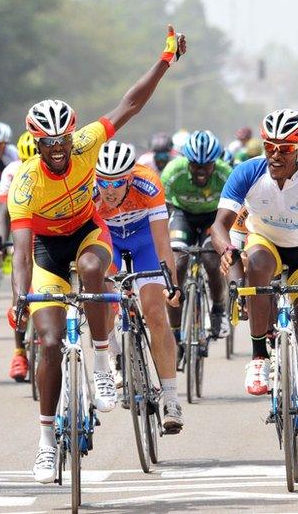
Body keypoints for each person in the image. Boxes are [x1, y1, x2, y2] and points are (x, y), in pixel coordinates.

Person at [9, 24, 185, 484]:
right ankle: (47, 443)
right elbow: (23, 250)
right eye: (50, 144)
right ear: (37, 144)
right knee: (49, 344)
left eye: (64, 140)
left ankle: (103, 363)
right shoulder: (26, 184)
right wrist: (18, 298)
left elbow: (130, 102)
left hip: (89, 230)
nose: (60, 149)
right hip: (46, 249)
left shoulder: (87, 142)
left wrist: (165, 61)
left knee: (92, 269)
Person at [210, 108, 298, 464]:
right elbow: (219, 225)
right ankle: (258, 356)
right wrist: (227, 249)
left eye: (284, 148)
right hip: (265, 243)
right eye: (270, 145)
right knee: (254, 264)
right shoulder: (248, 172)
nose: (275, 153)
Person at [93, 140, 183, 432]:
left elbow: (162, 242)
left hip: (144, 240)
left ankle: (170, 397)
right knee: (103, 296)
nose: (109, 189)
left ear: (130, 176)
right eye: (104, 182)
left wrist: (172, 283)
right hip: (109, 239)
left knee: (156, 313)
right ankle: (114, 355)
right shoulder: (89, 191)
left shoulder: (148, 184)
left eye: (117, 182)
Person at [161, 130, 232, 343]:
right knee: (178, 263)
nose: (201, 171)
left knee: (211, 260)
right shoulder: (173, 172)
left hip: (213, 217)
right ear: (187, 161)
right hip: (182, 215)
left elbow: (236, 208)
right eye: (195, 165)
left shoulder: (225, 173)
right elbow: (160, 208)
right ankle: (175, 330)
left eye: (207, 165)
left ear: (215, 162)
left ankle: (219, 309)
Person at [0, 131, 37, 381]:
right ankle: (19, 352)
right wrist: (2, 243)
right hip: (21, 231)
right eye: (25, 161)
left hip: (46, 234)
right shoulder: (12, 171)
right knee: (19, 297)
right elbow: (3, 211)